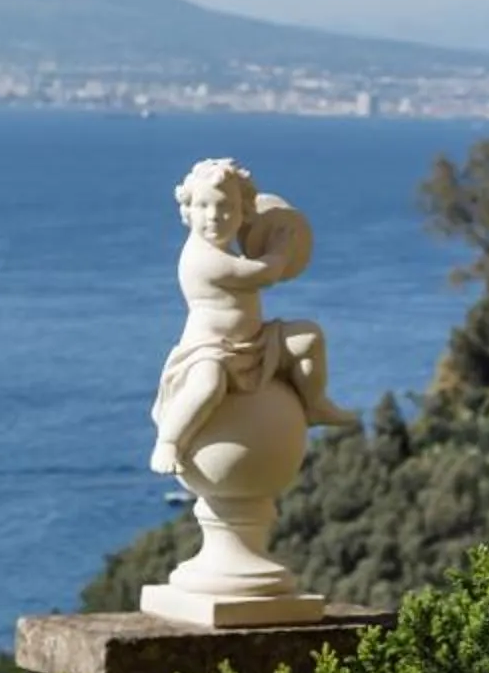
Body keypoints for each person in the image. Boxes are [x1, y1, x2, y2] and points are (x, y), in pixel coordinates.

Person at [150, 157, 356, 477]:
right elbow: (264, 274)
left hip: (255, 340)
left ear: (244, 213)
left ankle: (315, 403)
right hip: (211, 348)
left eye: (226, 207)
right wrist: (281, 248)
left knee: (309, 338)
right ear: (187, 211)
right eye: (203, 206)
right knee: (207, 385)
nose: (214, 216)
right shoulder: (202, 258)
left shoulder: (224, 248)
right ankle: (170, 441)